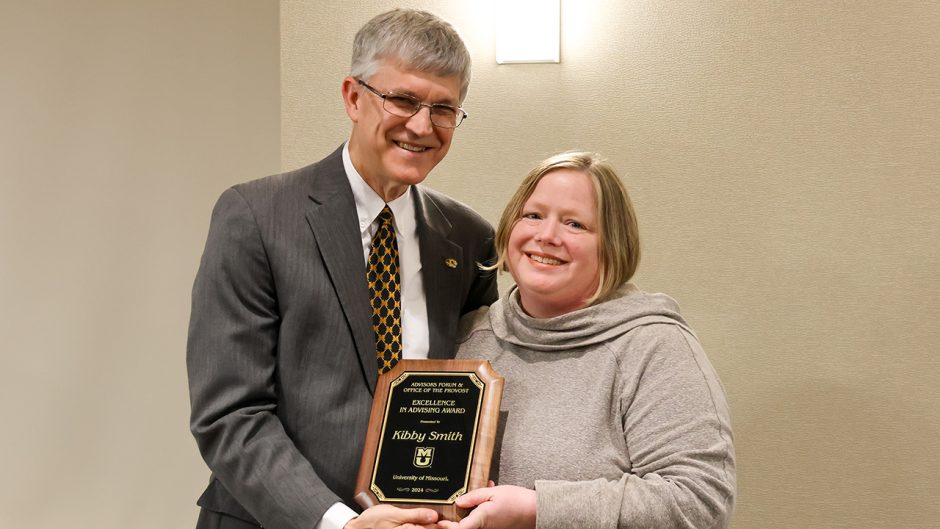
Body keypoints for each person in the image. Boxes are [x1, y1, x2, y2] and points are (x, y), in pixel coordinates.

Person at [186, 9, 497, 529]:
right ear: (354, 97)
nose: (422, 126)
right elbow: (229, 415)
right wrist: (339, 524)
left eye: (443, 108)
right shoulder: (257, 216)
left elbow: (473, 394)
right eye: (402, 99)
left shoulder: (468, 238)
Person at [444, 152, 736, 529]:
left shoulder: (652, 347)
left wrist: (539, 509)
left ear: (612, 245)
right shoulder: (467, 338)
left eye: (575, 224)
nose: (546, 236)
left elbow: (700, 500)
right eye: (533, 215)